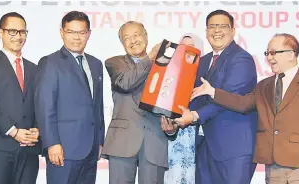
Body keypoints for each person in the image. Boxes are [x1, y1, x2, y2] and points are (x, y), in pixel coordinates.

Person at [192, 33, 299, 184]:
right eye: (267, 53)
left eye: (274, 52)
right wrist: (213, 92)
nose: (269, 57)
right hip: (272, 165)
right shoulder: (264, 85)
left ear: (290, 54)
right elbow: (242, 104)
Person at [174, 10, 258, 184]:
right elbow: (193, 97)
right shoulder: (203, 61)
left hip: (233, 149)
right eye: (212, 26)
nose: (217, 30)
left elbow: (229, 98)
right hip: (205, 146)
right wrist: (173, 115)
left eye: (222, 26)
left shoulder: (241, 58)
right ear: (206, 32)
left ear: (233, 31)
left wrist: (195, 116)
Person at [101, 21, 177, 184]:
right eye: (127, 38)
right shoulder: (114, 63)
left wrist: (172, 129)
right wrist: (150, 58)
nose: (133, 40)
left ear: (146, 36)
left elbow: (172, 101)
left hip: (155, 141)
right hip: (122, 142)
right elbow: (125, 83)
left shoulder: (168, 65)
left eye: (136, 35)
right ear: (122, 43)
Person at [34, 11, 105, 184]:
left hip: (91, 149)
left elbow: (98, 106)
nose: (76, 37)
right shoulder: (50, 62)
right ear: (62, 32)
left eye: (81, 32)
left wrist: (100, 141)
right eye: (71, 32)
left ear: (88, 34)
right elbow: (45, 106)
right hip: (63, 149)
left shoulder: (96, 64)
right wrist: (51, 143)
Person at [0, 12, 40, 184]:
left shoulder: (35, 69)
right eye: (12, 31)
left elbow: (41, 104)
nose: (18, 36)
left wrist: (37, 129)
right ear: (0, 33)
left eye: (22, 32)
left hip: (30, 150)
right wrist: (14, 131)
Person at [164, 33, 204, 184]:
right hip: (171, 142)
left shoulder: (205, 77)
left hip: (197, 142)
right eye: (182, 47)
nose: (186, 50)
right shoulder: (169, 75)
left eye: (191, 47)